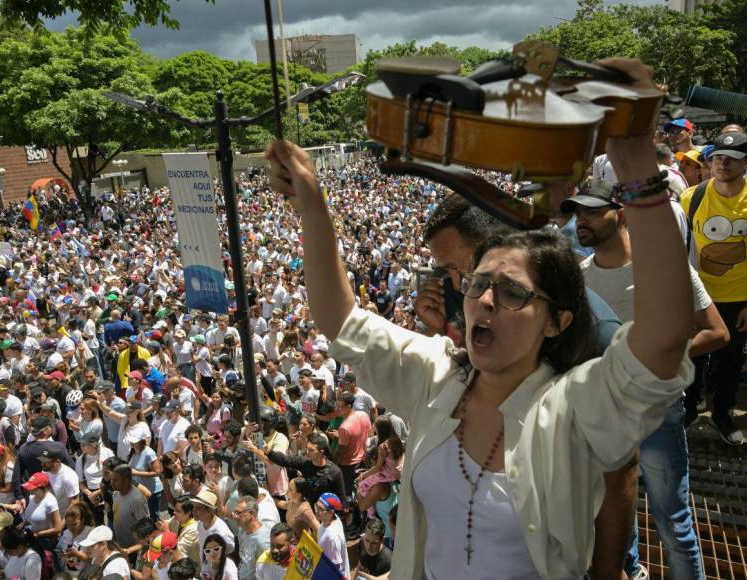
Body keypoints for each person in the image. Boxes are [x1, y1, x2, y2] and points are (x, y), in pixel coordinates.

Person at [265, 55, 696, 578]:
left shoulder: (575, 405)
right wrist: (312, 204)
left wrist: (635, 165)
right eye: (478, 285)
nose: (486, 301)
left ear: (557, 321)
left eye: (512, 293)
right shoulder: (436, 374)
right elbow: (341, 321)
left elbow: (666, 337)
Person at [562, 179, 730, 579]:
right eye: (577, 213)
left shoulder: (665, 266)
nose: (580, 221)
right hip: (603, 415)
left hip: (656, 412)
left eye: (590, 211)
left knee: (673, 520)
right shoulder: (579, 278)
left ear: (620, 214)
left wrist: (650, 354)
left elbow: (717, 332)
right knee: (617, 510)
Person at [679, 131, 747, 444]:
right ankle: (689, 408)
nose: (723, 164)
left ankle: (722, 413)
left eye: (732, 159)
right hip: (698, 296)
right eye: (718, 157)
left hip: (739, 297)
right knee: (692, 355)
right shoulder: (691, 197)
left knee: (730, 359)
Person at [356, 416, 404, 514]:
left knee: (363, 485)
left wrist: (364, 476)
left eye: (375, 427)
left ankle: (371, 513)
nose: (373, 429)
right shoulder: (397, 441)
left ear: (380, 430)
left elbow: (378, 467)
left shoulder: (383, 447)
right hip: (397, 475)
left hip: (387, 474)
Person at [110, 464, 150, 551]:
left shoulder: (137, 500)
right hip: (121, 545)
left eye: (115, 480)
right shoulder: (116, 494)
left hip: (133, 550)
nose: (111, 483)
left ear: (126, 480)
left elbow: (145, 527)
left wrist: (133, 549)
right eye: (112, 479)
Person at [21, 471, 63, 552]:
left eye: (32, 487)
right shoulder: (32, 497)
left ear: (41, 488)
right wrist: (23, 524)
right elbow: (32, 517)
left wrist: (38, 534)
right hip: (34, 538)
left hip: (46, 541)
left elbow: (58, 528)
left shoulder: (50, 503)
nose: (29, 489)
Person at [233, 494, 271, 580]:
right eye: (235, 512)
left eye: (238, 513)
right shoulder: (242, 530)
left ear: (251, 513)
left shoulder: (262, 542)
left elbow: (267, 573)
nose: (235, 516)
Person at [190, 490, 235, 561]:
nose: (194, 511)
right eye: (194, 506)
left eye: (198, 508)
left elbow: (230, 552)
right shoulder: (200, 523)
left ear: (209, 510)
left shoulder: (221, 532)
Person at [315, 493, 351, 579]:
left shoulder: (331, 537)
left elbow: (334, 569)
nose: (316, 511)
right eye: (316, 506)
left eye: (320, 509)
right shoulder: (333, 519)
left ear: (331, 512)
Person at [57, 501, 95, 576]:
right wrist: (61, 555)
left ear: (82, 520)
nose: (71, 528)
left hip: (85, 576)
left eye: (75, 524)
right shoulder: (66, 533)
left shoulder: (90, 533)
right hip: (69, 575)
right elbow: (59, 551)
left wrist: (78, 555)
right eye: (68, 525)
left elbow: (96, 561)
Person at [39, 447, 80, 514]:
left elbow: (74, 504)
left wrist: (61, 523)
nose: (42, 464)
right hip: (48, 514)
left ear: (57, 462)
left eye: (46, 462)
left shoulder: (69, 477)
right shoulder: (45, 470)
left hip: (63, 516)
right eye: (42, 461)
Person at [284, 477, 319, 542]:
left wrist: (311, 542)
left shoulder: (305, 510)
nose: (287, 491)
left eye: (290, 489)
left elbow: (318, 529)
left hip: (302, 548)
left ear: (298, 495)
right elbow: (283, 505)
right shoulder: (293, 502)